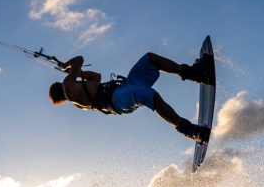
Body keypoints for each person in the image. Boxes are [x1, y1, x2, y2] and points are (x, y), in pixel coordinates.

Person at [49, 52, 213, 142]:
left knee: (150, 59)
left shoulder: (75, 92)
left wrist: (77, 73)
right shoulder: (68, 87)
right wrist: (66, 67)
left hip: (123, 88)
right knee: (150, 96)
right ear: (60, 87)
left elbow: (96, 77)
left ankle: (196, 74)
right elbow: (79, 59)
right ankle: (189, 130)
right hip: (118, 99)